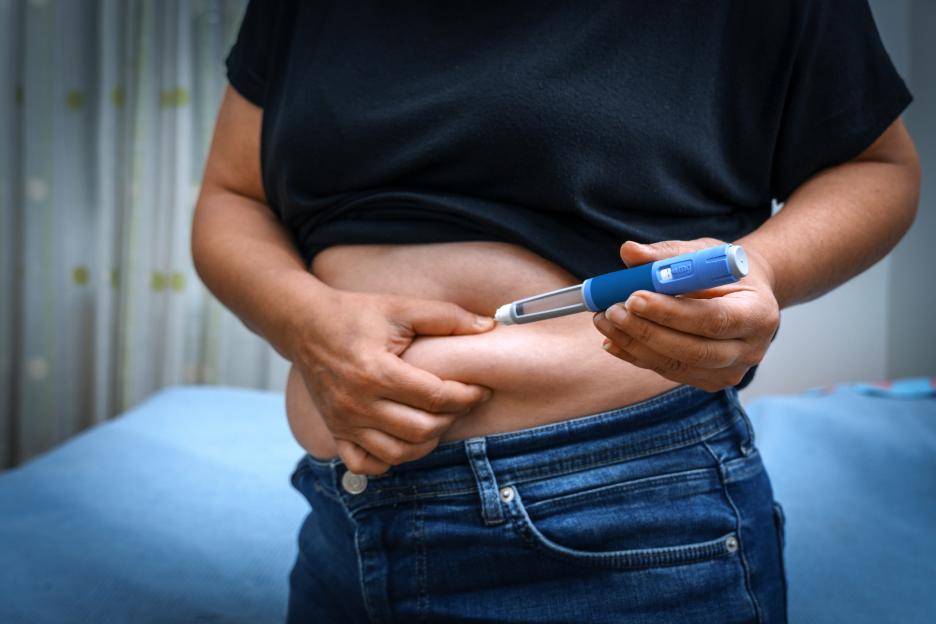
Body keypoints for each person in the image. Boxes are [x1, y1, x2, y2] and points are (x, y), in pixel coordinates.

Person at [191, 1, 919, 622]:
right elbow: (233, 195)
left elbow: (876, 167)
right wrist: (304, 324)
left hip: (628, 523)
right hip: (341, 511)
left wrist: (766, 267)